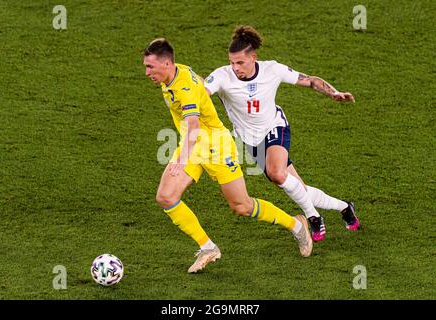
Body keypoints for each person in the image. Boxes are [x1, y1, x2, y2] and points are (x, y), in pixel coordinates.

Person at [143, 38, 313, 273]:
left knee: (242, 206)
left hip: (215, 147)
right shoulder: (175, 72)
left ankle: (296, 225)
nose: (146, 72)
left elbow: (193, 126)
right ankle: (208, 247)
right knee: (166, 196)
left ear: (166, 64)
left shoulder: (184, 89)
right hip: (193, 145)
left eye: (150, 67)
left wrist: (181, 160)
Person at [204, 26, 360, 242]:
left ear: (253, 58)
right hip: (251, 140)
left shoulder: (272, 70)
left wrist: (334, 93)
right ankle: (344, 207)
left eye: (240, 62)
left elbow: (311, 80)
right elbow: (203, 92)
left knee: (277, 173)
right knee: (297, 186)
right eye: (232, 62)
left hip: (275, 127)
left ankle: (313, 217)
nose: (235, 68)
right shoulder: (222, 76)